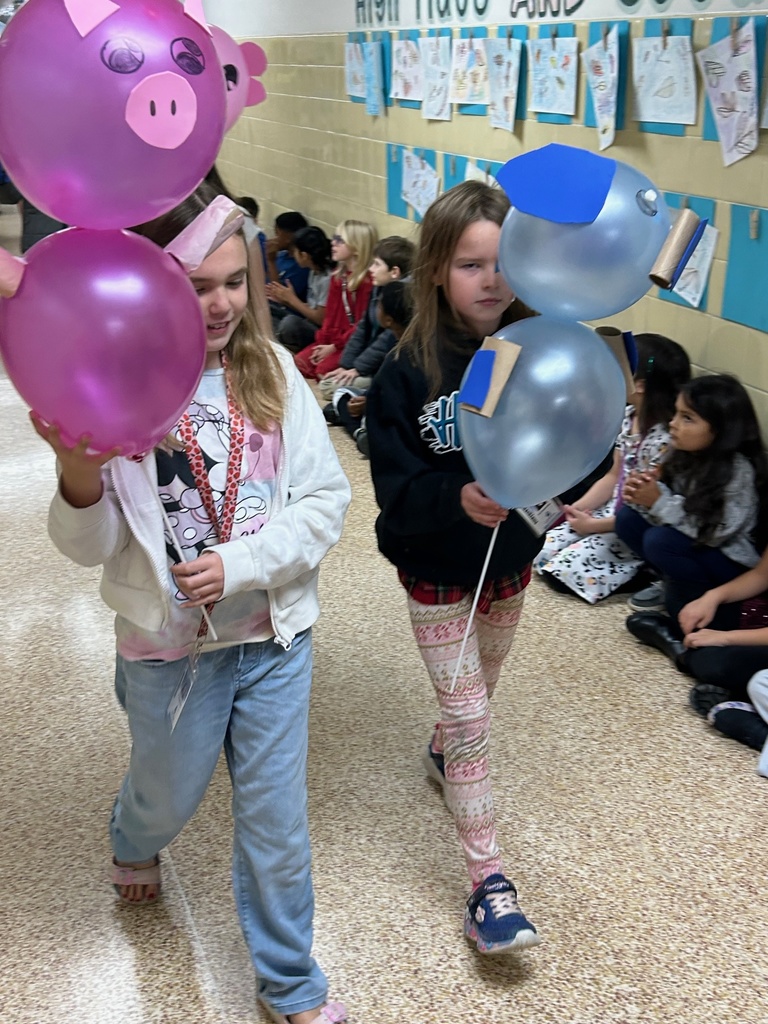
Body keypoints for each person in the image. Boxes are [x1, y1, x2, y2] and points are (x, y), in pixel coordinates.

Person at [33, 183, 352, 1024]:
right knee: (166, 794)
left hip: (273, 639)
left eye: (232, 282)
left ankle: (291, 982)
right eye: (193, 285)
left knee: (276, 823)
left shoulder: (274, 371)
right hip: (169, 652)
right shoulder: (122, 387)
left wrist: (242, 562)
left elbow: (325, 504)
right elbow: (89, 547)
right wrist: (77, 472)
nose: (218, 304)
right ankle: (131, 837)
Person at [365, 180, 612, 954]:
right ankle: (488, 885)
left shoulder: (546, 348)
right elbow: (394, 493)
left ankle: (444, 751)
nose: (491, 280)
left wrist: (569, 486)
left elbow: (583, 443)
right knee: (472, 716)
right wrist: (458, 499)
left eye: (504, 263)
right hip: (436, 572)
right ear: (437, 269)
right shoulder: (407, 372)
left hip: (511, 566)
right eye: (471, 264)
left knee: (474, 707)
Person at [621, 374, 768, 668]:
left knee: (661, 541)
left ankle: (683, 619)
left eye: (687, 418)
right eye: (676, 413)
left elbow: (717, 533)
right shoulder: (685, 454)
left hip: (731, 561)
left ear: (720, 430)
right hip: (697, 544)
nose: (674, 423)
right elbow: (676, 512)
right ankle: (675, 591)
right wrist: (645, 495)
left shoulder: (738, 470)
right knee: (628, 519)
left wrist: (658, 501)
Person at [534, 334, 690, 603]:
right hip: (609, 514)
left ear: (639, 385)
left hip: (635, 525)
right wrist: (579, 509)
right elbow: (613, 476)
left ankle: (646, 571)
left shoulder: (665, 440)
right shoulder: (630, 418)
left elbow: (647, 512)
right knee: (539, 552)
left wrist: (594, 526)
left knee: (565, 572)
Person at [317, 234, 414, 402]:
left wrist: (359, 369)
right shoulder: (378, 288)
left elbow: (386, 341)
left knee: (329, 387)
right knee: (329, 379)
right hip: (368, 362)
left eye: (376, 265)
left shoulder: (402, 299)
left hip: (383, 366)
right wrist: (346, 365)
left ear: (394, 272)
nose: (371, 269)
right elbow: (363, 327)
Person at [327, 279, 414, 457]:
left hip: (399, 411)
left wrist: (371, 403)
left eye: (379, 306)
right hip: (378, 398)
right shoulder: (394, 339)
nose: (376, 310)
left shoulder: (405, 348)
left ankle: (361, 432)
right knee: (343, 396)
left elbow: (398, 392)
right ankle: (362, 432)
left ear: (389, 320)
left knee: (346, 401)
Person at [294, 219, 377, 381]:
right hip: (334, 341)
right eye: (334, 238)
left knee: (323, 372)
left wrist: (334, 347)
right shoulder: (338, 277)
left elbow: (361, 325)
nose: (333, 243)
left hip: (350, 343)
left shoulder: (367, 282)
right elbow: (330, 317)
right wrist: (323, 343)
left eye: (340, 240)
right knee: (299, 363)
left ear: (356, 247)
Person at [271, 226, 334, 354]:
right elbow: (311, 307)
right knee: (268, 307)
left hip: (319, 330)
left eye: (295, 252)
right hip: (307, 320)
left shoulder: (327, 279)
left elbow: (321, 319)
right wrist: (286, 300)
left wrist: (292, 300)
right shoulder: (313, 271)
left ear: (304, 255)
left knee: (290, 323)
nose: (293, 256)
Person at [266, 211, 311, 329]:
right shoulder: (281, 255)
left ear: (289, 237)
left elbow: (279, 295)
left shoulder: (302, 266)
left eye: (278, 234)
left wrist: (271, 261)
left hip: (287, 313)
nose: (275, 238)